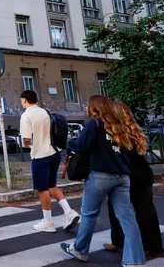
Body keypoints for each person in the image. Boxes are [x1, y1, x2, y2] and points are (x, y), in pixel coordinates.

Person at [60, 96, 146, 266]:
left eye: (88, 106)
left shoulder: (95, 123)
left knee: (89, 214)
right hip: (122, 176)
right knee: (127, 218)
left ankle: (80, 250)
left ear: (93, 108)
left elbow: (82, 146)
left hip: (100, 175)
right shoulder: (121, 124)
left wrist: (73, 141)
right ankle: (134, 260)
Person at [103, 102, 164, 259]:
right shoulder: (134, 129)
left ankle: (121, 241)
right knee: (145, 210)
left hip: (129, 174)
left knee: (118, 208)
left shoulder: (116, 131)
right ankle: (154, 247)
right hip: (144, 172)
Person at [20, 90, 80, 232]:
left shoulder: (26, 115)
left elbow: (26, 140)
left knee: (42, 189)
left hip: (40, 156)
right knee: (52, 185)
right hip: (54, 153)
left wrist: (27, 144)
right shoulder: (45, 112)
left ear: (25, 100)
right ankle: (69, 212)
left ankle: (48, 222)